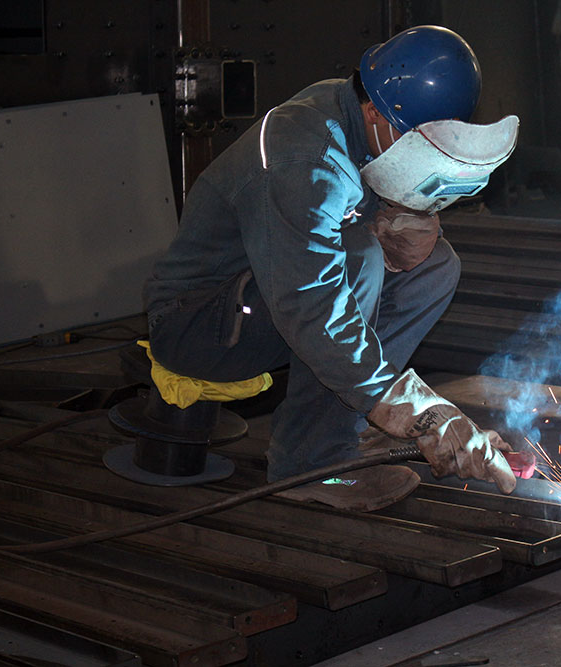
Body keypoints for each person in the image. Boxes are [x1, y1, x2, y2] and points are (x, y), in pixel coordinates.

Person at [141, 25, 521, 498]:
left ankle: (348, 426)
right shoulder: (305, 155)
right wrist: (416, 411)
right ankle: (313, 464)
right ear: (376, 112)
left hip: (263, 298)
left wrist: (392, 211)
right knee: (359, 258)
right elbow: (312, 304)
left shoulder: (354, 113)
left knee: (435, 268)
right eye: (416, 145)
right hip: (198, 324)